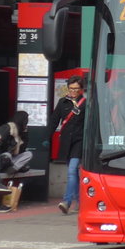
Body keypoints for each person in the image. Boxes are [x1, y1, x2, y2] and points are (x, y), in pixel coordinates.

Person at [52, 75, 87, 214]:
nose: (73, 91)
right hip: (66, 142)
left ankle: (67, 202)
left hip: (79, 141)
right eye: (71, 88)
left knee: (72, 171)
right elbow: (55, 120)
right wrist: (47, 137)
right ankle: (80, 201)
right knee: (74, 174)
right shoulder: (63, 102)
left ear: (81, 89)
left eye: (76, 89)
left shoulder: (85, 103)